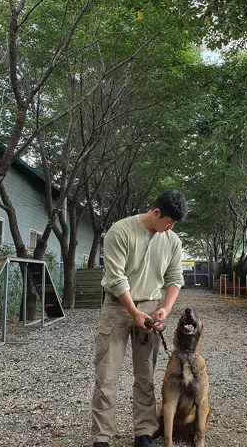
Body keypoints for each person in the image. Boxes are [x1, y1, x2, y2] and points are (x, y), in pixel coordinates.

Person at [91, 191, 188, 447]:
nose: (171, 227)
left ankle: (144, 433)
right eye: (169, 221)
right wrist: (133, 312)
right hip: (117, 306)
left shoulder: (172, 241)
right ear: (156, 213)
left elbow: (175, 278)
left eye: (174, 224)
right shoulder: (120, 231)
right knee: (106, 375)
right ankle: (102, 438)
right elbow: (116, 278)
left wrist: (165, 309)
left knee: (146, 375)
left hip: (151, 307)